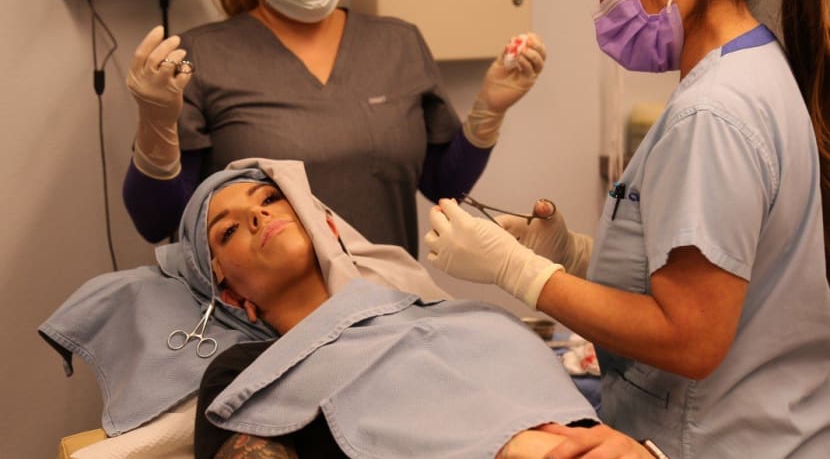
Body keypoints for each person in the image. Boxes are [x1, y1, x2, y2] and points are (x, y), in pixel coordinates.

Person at [423, 0, 830, 459]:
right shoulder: (753, 66)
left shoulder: (713, 114)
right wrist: (575, 256)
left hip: (717, 438)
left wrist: (521, 272)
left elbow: (691, 338)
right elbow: (717, 274)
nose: (602, 13)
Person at [41, 159, 662, 459]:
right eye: (227, 232)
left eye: (269, 199)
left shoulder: (459, 318)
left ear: (322, 226)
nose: (257, 215)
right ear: (230, 293)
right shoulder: (249, 376)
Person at [122, 0, 545, 255]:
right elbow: (158, 222)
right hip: (260, 322)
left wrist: (488, 110)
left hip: (387, 311)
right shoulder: (204, 59)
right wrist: (156, 124)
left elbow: (442, 187)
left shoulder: (398, 44)